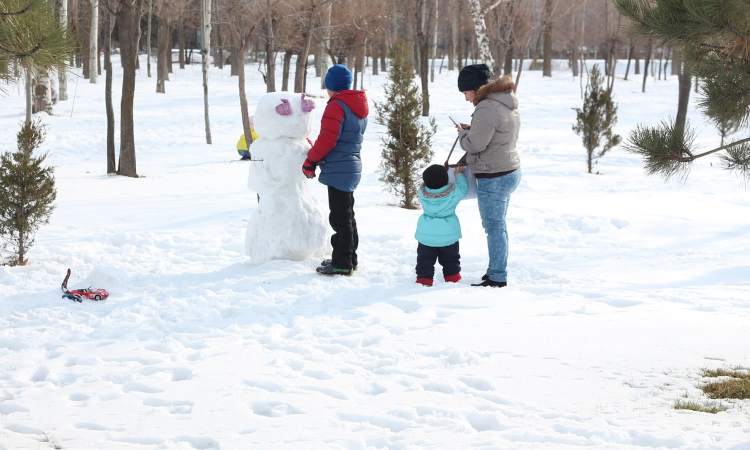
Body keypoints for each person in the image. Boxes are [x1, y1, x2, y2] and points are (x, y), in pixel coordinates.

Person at [456, 64, 521, 288]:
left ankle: (497, 276)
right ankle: (496, 269)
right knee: (498, 226)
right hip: (509, 169)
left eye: (465, 92)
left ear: (475, 88)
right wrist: (473, 129)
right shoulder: (504, 101)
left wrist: (464, 135)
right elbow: (494, 134)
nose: (465, 98)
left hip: (494, 175)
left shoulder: (486, 108)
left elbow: (475, 144)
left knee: (494, 227)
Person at [302, 64, 369, 276]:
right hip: (351, 165)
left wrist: (311, 160)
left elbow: (327, 139)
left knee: (340, 218)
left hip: (340, 168)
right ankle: (350, 257)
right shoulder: (357, 105)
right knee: (347, 216)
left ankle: (342, 263)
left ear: (331, 86)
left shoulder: (337, 106)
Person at [415, 164, 469, 287]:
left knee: (425, 260)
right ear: (446, 180)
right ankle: (452, 277)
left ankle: (424, 280)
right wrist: (458, 174)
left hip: (426, 236)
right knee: (451, 259)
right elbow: (463, 188)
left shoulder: (422, 193)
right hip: (448, 235)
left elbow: (425, 185)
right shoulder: (453, 193)